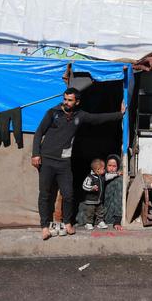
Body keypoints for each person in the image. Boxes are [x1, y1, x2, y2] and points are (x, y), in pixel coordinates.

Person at [32, 87, 125, 240]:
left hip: (64, 163)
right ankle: (44, 226)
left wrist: (119, 114)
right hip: (47, 160)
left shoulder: (79, 116)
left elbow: (97, 119)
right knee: (45, 195)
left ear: (77, 102)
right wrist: (35, 154)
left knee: (68, 194)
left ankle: (68, 222)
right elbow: (39, 133)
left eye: (70, 100)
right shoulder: (53, 113)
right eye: (65, 99)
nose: (66, 102)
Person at [81, 158, 108, 230]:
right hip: (90, 200)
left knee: (100, 211)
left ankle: (100, 222)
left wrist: (117, 174)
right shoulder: (90, 177)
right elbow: (84, 186)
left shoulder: (102, 176)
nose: (104, 170)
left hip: (99, 200)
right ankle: (89, 223)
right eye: (103, 168)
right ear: (98, 170)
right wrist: (91, 188)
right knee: (90, 212)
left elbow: (109, 176)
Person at [103, 154, 124, 231]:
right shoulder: (102, 176)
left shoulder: (119, 180)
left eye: (114, 166)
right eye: (109, 165)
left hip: (110, 213)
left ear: (118, 167)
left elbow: (119, 199)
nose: (111, 168)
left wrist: (117, 221)